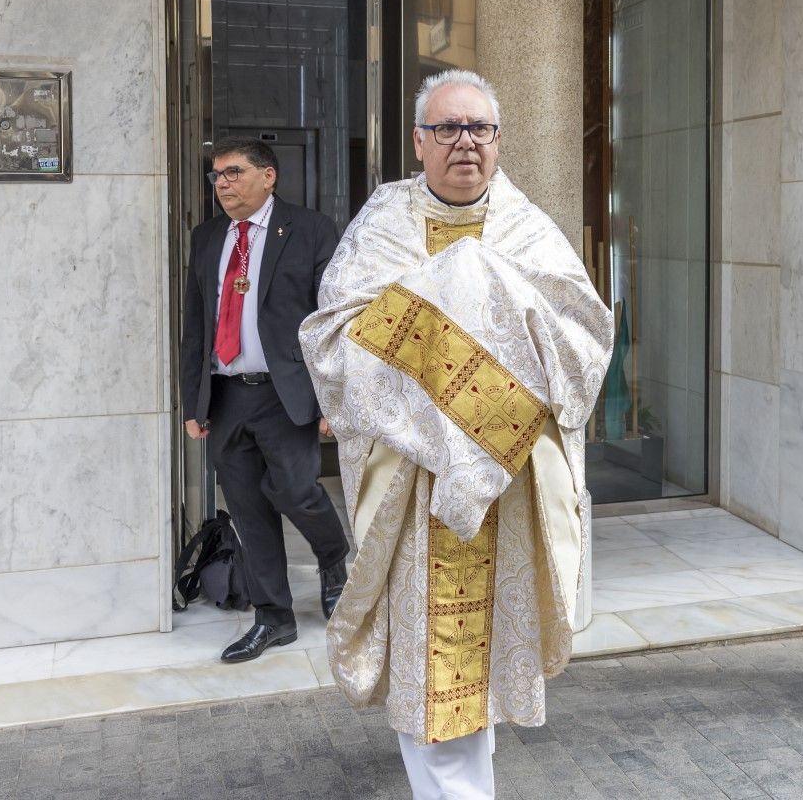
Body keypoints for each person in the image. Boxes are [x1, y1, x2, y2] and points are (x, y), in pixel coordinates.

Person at [299, 70, 613, 799]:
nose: (464, 142)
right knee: (433, 664)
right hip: (418, 485)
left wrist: (478, 291)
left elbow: (585, 335)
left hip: (504, 483)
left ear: (499, 142)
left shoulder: (530, 229)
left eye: (479, 129)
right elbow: (335, 335)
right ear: (419, 141)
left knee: (485, 661)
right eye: (447, 128)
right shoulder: (383, 224)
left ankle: (470, 780)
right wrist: (456, 294)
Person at [179, 138, 349, 663]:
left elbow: (333, 321)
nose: (223, 184)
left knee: (296, 490)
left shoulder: (312, 230)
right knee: (249, 510)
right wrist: (193, 403)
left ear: (268, 176)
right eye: (216, 176)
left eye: (233, 172)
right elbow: (196, 323)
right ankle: (273, 619)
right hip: (226, 394)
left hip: (285, 393)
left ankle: (334, 557)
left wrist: (331, 398)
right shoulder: (207, 237)